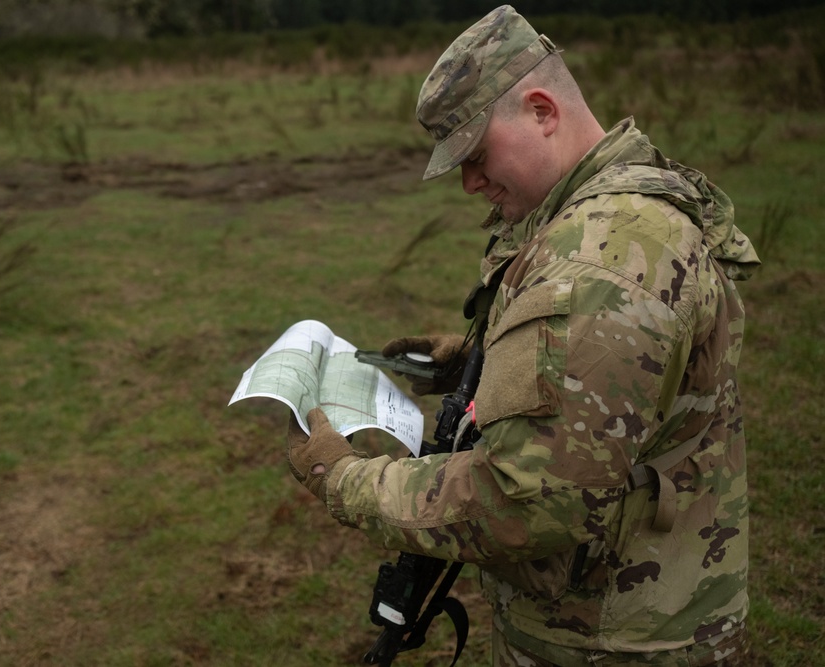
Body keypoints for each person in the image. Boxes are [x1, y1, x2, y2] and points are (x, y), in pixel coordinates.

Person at [286, 6, 761, 666]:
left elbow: (524, 501)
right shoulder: (607, 202)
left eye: (476, 156)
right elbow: (622, 380)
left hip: (617, 640)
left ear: (542, 110)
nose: (469, 183)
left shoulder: (601, 262)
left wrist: (346, 480)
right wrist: (477, 360)